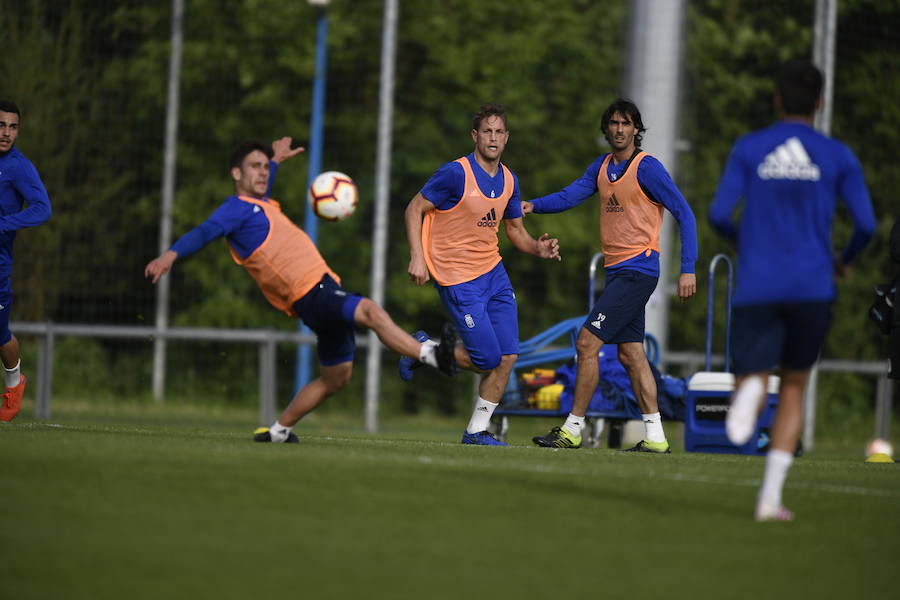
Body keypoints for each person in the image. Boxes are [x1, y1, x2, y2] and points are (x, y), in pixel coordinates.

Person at [145, 137, 456, 443]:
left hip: (319, 292)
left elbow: (266, 181)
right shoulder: (236, 209)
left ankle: (279, 431)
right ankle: (429, 354)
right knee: (369, 311)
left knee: (336, 378)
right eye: (255, 167)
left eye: (265, 167)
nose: (263, 172)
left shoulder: (260, 204)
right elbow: (205, 232)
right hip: (311, 291)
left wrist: (275, 160)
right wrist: (170, 256)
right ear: (236, 174)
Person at [709, 59, 876, 521]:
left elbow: (720, 214)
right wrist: (843, 261)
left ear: (777, 99)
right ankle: (769, 499)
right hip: (813, 283)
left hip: (759, 282)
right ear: (820, 102)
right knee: (797, 385)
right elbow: (866, 224)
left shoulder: (749, 148)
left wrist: (746, 241)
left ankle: (751, 391)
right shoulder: (838, 155)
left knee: (753, 375)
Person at [525, 98, 698, 452]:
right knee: (631, 355)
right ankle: (656, 437)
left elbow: (685, 212)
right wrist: (533, 205)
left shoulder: (647, 168)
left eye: (626, 123)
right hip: (619, 273)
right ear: (606, 129)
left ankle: (572, 430)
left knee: (588, 343)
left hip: (639, 269)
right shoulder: (602, 167)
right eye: (613, 124)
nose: (619, 129)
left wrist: (688, 268)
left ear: (637, 129)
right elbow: (570, 195)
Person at [402, 103, 561, 446]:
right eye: (486, 131)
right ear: (475, 136)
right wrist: (418, 257)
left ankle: (476, 431)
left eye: (499, 131)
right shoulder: (455, 174)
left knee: (508, 356)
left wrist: (538, 248)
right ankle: (421, 350)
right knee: (486, 358)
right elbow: (414, 208)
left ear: (507, 138)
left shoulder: (509, 180)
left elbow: (516, 231)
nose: (493, 137)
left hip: (494, 274)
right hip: (457, 277)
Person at [0, 101, 52, 422]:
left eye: (13, 127)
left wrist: (3, 225)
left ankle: (13, 383)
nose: (6, 133)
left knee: (0, 336)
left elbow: (41, 208)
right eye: (1, 125)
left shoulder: (18, 167)